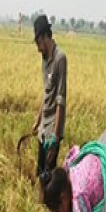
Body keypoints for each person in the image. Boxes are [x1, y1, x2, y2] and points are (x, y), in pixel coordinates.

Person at [32, 15, 68, 175]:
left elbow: (61, 99)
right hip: (43, 128)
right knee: (40, 172)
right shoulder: (44, 59)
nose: (38, 48)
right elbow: (46, 92)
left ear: (44, 37)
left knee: (48, 176)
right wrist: (38, 120)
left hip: (53, 128)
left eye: (38, 43)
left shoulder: (60, 58)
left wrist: (55, 136)